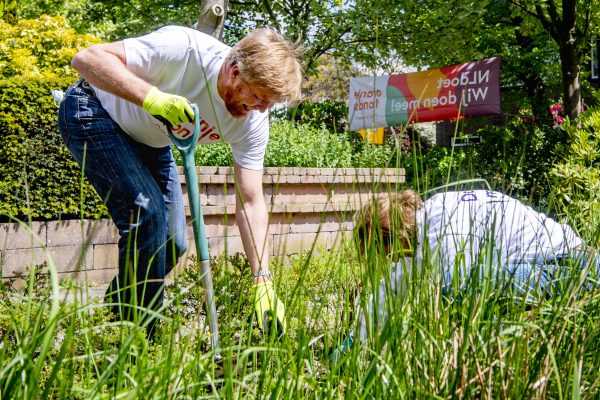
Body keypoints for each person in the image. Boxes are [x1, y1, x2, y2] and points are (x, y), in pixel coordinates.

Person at [57, 25, 303, 337]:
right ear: (234, 71)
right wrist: (152, 98)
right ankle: (137, 341)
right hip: (91, 111)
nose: (260, 109)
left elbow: (251, 201)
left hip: (151, 142)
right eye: (257, 97)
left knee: (172, 242)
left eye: (269, 103)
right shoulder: (184, 49)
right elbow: (86, 59)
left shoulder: (254, 122)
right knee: (148, 219)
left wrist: (262, 279)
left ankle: (116, 316)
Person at [331, 189, 599, 362]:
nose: (390, 260)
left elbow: (454, 301)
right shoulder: (426, 225)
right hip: (545, 269)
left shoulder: (443, 234)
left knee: (452, 292)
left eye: (385, 252)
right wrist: (357, 339)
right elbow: (391, 288)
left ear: (392, 235)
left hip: (574, 270)